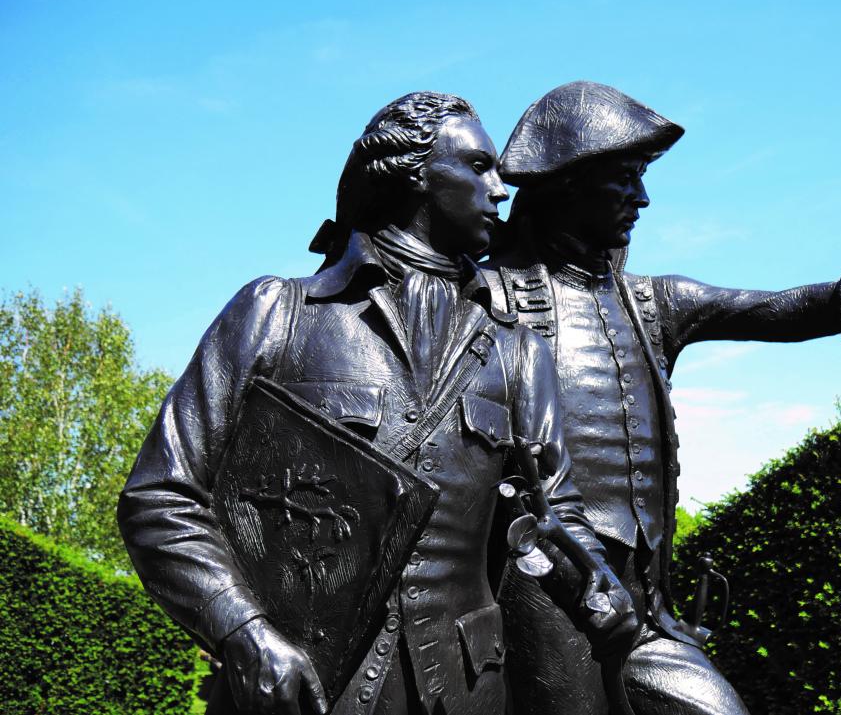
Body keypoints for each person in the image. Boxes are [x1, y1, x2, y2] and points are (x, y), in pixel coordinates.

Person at [484, 80, 841, 715]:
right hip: (542, 590)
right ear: (569, 182)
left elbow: (778, 309)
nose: (643, 198)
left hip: (642, 598)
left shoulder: (652, 302)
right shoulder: (484, 297)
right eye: (626, 178)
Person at [119, 91, 635, 715]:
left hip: (467, 693)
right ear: (412, 173)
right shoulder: (278, 314)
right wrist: (244, 631)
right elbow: (162, 496)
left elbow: (557, 510)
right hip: (307, 688)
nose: (501, 190)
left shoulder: (518, 351)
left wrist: (595, 577)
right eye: (478, 166)